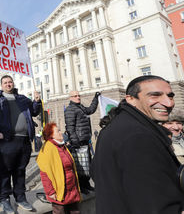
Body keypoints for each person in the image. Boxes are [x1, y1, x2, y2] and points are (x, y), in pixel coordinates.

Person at [92, 75, 184, 213]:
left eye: (170, 96)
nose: (168, 103)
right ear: (131, 99)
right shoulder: (138, 136)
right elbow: (157, 205)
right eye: (155, 95)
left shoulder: (119, 126)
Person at [0, 75, 41, 213]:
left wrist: (37, 101)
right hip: (7, 140)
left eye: (10, 82)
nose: (8, 84)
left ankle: (20, 197)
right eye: (5, 82)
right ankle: (4, 198)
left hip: (24, 140)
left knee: (20, 170)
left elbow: (34, 111)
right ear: (1, 85)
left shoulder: (22, 98)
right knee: (5, 170)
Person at [37, 123, 80, 214]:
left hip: (71, 189)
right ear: (51, 135)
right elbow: (44, 173)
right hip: (59, 191)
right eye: (58, 131)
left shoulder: (61, 146)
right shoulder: (48, 148)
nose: (61, 132)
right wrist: (50, 192)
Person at [64, 90, 100, 193]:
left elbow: (90, 110)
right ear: (70, 98)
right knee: (80, 166)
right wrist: (75, 142)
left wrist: (96, 98)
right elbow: (70, 127)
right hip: (78, 142)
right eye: (75, 96)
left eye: (79, 95)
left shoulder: (80, 107)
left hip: (84, 141)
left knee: (86, 164)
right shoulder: (70, 109)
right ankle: (81, 186)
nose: (78, 97)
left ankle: (86, 184)